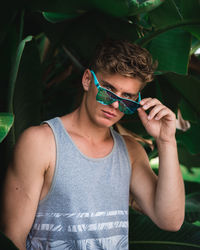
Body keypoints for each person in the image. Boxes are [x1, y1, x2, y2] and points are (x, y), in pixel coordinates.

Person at [0, 39, 185, 250]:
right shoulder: (41, 143)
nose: (115, 104)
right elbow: (13, 237)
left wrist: (166, 140)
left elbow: (170, 220)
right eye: (108, 90)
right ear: (88, 80)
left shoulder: (131, 151)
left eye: (127, 98)